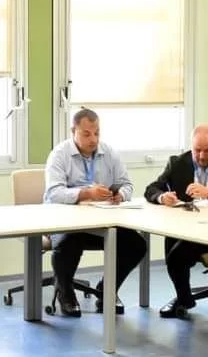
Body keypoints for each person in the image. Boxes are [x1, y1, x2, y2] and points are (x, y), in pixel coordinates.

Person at [44, 108, 147, 317]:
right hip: (65, 223)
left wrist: (120, 195)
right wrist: (86, 193)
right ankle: (66, 293)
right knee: (67, 242)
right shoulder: (59, 155)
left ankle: (107, 289)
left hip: (101, 223)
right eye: (86, 134)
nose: (93, 139)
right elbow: (54, 193)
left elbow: (126, 185)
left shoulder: (109, 153)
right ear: (73, 131)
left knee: (136, 244)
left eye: (97, 133)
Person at [145, 125, 208, 321]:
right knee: (174, 252)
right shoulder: (177, 162)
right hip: (192, 229)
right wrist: (162, 197)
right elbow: (152, 188)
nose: (201, 156)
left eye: (207, 151)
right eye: (197, 150)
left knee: (177, 253)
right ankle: (184, 299)